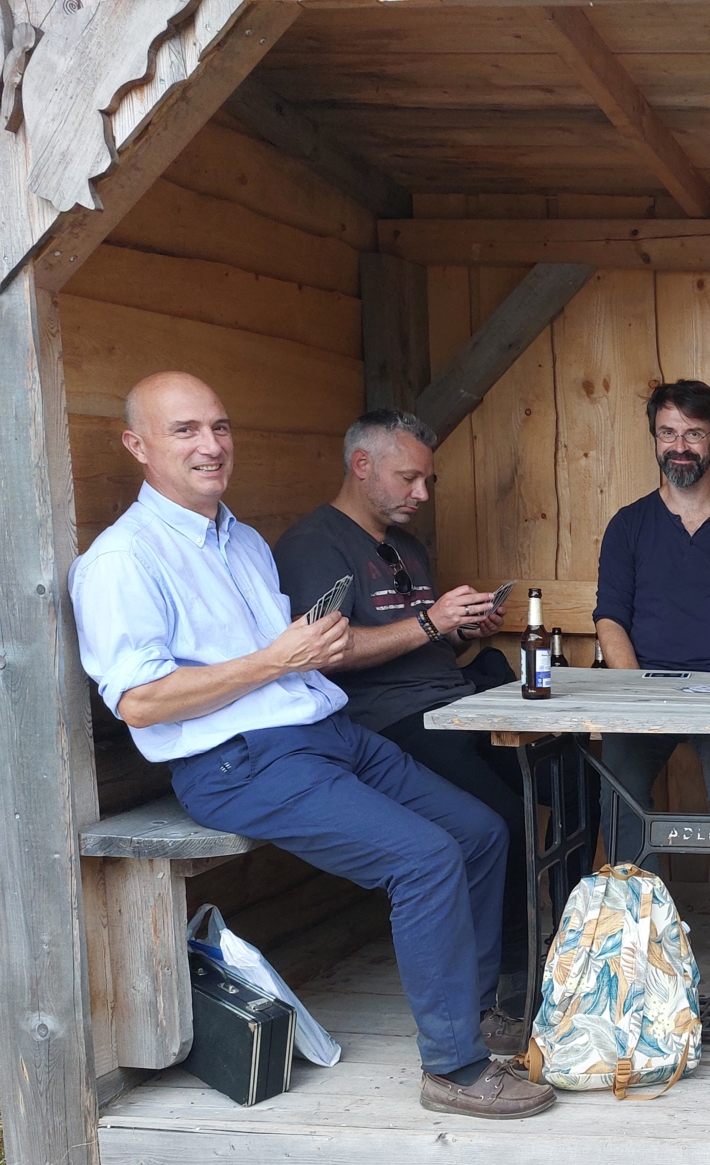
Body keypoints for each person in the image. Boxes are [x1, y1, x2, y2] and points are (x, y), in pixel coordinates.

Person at [70, 372, 553, 1119]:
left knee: (481, 832)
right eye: (185, 431)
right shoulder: (120, 561)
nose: (210, 446)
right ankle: (453, 1068)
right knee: (423, 860)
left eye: (220, 427)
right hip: (237, 760)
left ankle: (480, 1013)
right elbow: (139, 700)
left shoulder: (244, 541)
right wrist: (275, 660)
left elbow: (294, 659)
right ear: (138, 446)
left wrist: (310, 653)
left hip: (326, 732)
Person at [274, 409, 533, 1049]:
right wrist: (431, 624)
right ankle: (511, 981)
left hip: (452, 698)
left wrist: (462, 628)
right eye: (409, 478)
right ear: (362, 466)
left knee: (555, 781)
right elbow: (325, 652)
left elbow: (419, 636)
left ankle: (556, 947)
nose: (421, 493)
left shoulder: (405, 543)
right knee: (499, 814)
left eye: (427, 481)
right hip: (381, 721)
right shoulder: (315, 546)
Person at [593, 379, 710, 993]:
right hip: (642, 691)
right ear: (655, 439)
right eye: (669, 433)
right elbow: (609, 618)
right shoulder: (628, 526)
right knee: (619, 787)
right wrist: (636, 693)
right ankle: (631, 938)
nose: (681, 446)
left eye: (693, 434)